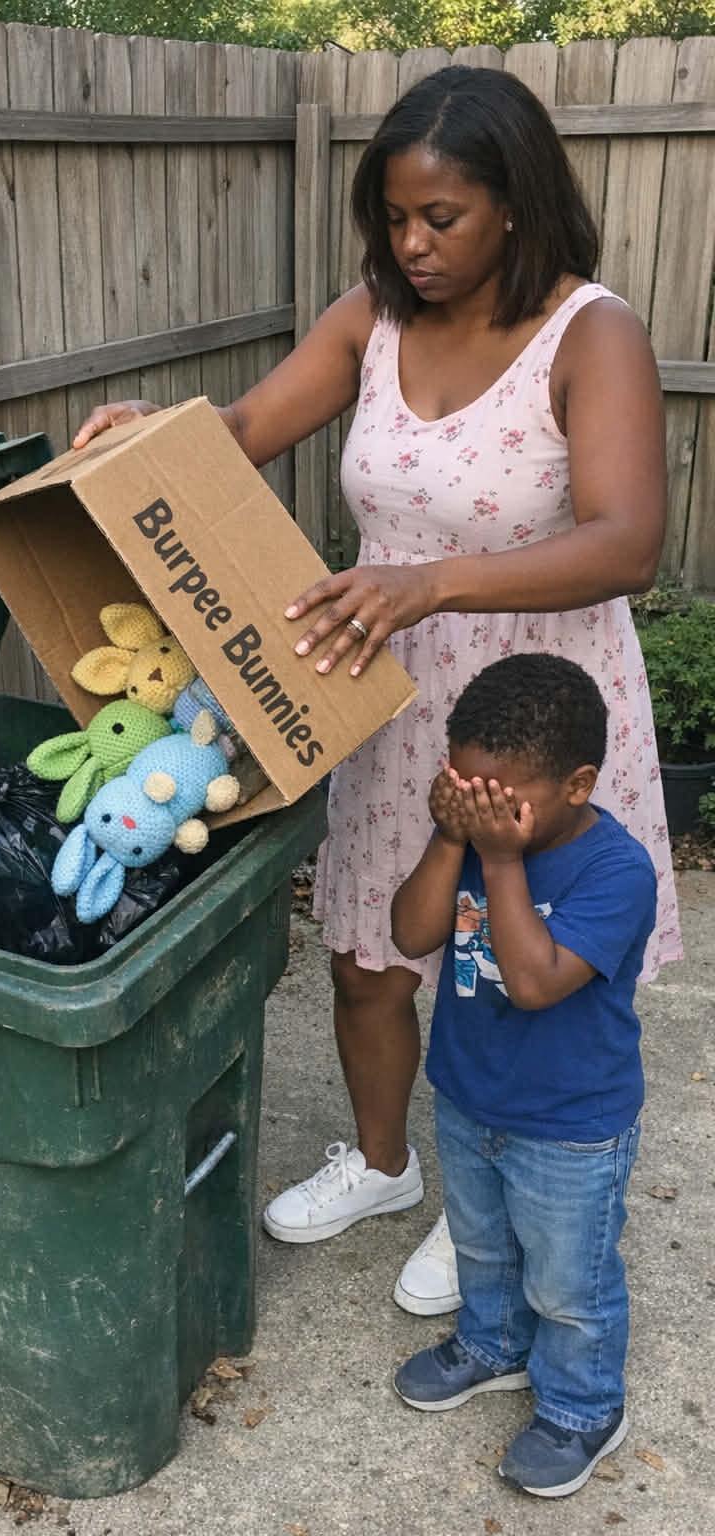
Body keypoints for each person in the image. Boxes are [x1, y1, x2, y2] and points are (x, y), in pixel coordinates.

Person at [72, 64, 682, 1313]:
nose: (410, 245)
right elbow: (244, 427)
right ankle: (386, 1163)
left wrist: (433, 583)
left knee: (508, 962)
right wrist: (155, 431)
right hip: (388, 694)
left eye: (439, 219)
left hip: (529, 711)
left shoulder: (591, 332)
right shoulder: (373, 316)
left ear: (513, 204)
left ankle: (491, 1202)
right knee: (368, 948)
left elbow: (628, 541)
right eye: (392, 220)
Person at [390, 654, 654, 1498]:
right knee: (481, 1246)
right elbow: (409, 935)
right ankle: (494, 1347)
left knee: (569, 1281)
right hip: (470, 1093)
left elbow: (537, 983)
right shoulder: (473, 836)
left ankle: (582, 1409)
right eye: (458, 787)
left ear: (577, 785)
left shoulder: (617, 873)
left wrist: (498, 861)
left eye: (495, 797)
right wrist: (448, 837)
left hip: (572, 1122)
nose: (475, 806)